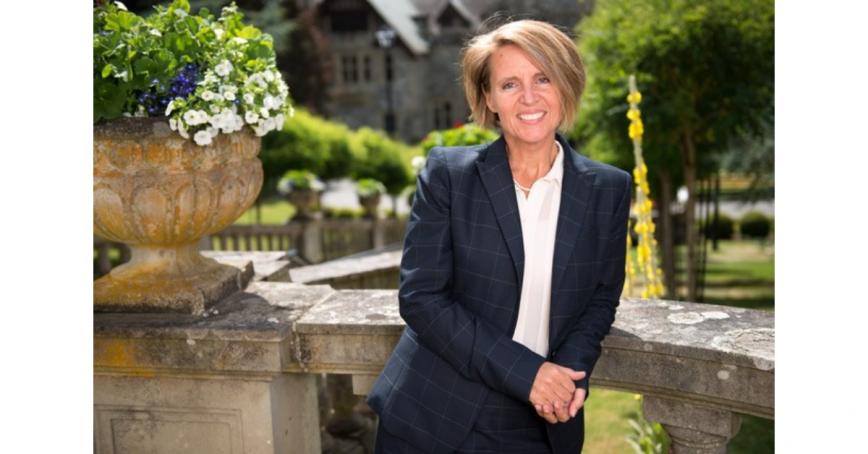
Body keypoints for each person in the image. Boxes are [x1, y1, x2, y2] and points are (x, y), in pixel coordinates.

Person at [367, 19, 631, 454]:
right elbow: (421, 298)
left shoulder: (609, 188)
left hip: (538, 423)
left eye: (543, 78)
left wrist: (569, 372)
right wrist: (528, 374)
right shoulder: (449, 175)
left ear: (566, 84)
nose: (529, 97)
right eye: (510, 84)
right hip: (430, 415)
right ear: (489, 98)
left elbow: (602, 297)